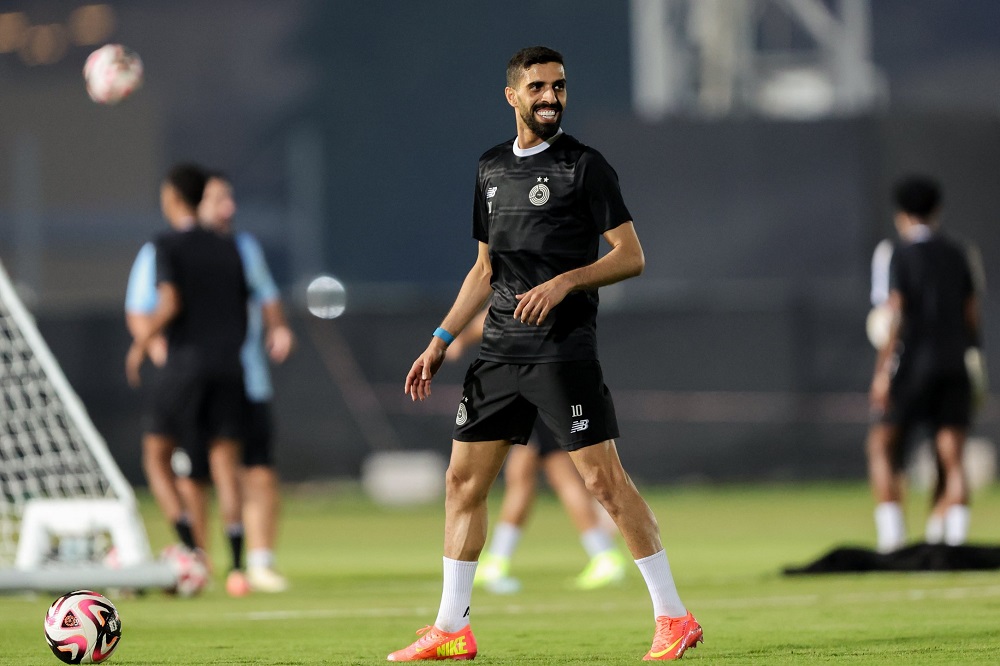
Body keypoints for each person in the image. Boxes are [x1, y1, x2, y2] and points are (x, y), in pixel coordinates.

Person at [389, 46, 701, 662]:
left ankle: (674, 616)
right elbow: (484, 270)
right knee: (461, 482)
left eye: (558, 87)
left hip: (562, 352)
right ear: (512, 95)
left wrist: (565, 282)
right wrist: (440, 341)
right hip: (498, 352)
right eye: (537, 88)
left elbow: (631, 256)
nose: (550, 97)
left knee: (602, 483)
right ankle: (452, 626)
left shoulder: (586, 167)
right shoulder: (488, 169)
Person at [125, 163, 250, 595]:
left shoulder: (167, 244)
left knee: (156, 455)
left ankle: (189, 553)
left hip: (186, 366)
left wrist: (143, 342)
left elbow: (170, 301)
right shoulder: (230, 247)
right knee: (225, 464)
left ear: (175, 198)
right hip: (230, 367)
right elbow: (242, 310)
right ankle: (237, 567)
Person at [447, 310, 627, 594]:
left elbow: (498, 315)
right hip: (548, 379)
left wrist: (458, 338)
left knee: (544, 476)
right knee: (538, 475)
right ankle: (600, 554)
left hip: (532, 382)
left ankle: (603, 554)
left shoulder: (524, 281)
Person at [866, 175, 983, 553]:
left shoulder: (896, 253)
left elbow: (895, 312)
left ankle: (892, 537)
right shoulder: (961, 252)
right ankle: (949, 538)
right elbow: (971, 313)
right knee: (951, 453)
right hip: (954, 364)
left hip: (912, 364)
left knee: (882, 445)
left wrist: (883, 373)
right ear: (937, 210)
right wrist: (970, 356)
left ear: (901, 214)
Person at [196, 172, 295, 592]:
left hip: (248, 380)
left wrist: (279, 327)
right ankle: (196, 561)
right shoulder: (172, 250)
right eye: (218, 198)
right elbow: (146, 306)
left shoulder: (244, 248)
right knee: (196, 476)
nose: (228, 207)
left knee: (259, 472)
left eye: (230, 197)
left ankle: (260, 561)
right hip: (198, 383)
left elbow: (267, 295)